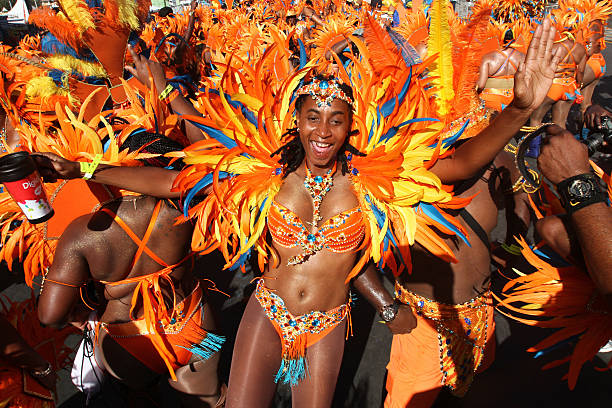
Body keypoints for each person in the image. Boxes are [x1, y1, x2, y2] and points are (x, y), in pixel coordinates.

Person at [35, 17, 561, 408]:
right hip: (268, 314)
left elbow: (463, 161)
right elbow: (175, 181)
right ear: (297, 120)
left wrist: (518, 109)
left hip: (327, 323)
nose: (324, 131)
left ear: (351, 126)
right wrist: (88, 170)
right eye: (313, 118)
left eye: (336, 119)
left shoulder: (374, 180)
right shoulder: (263, 176)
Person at [382, 19, 562, 408]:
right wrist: (517, 111)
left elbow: (518, 204)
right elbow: (462, 165)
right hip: (425, 326)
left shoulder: (495, 155)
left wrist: (509, 251)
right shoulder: (409, 162)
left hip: (481, 313)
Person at [36, 135, 226, 407]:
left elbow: (50, 316)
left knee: (140, 398)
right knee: (211, 401)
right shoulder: (186, 201)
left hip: (128, 341)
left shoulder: (81, 234)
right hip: (192, 321)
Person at [529, 33, 586, 128]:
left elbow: (539, 68)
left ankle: (536, 143)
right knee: (560, 123)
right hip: (570, 87)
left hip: (553, 86)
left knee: (535, 119)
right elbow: (581, 71)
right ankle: (560, 142)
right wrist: (579, 86)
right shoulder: (580, 48)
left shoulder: (553, 47)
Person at [477, 30, 526, 113]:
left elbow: (481, 85)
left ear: (500, 38)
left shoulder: (488, 57)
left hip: (491, 99)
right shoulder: (523, 57)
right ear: (515, 39)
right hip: (513, 99)